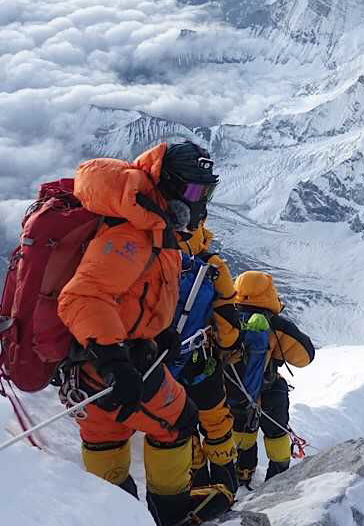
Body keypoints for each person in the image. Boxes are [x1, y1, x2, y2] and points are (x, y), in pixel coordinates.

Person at [57, 141, 229, 525]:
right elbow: (82, 297)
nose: (199, 202)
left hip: (87, 361)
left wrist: (159, 331)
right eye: (193, 192)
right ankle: (170, 516)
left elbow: (140, 290)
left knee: (105, 434)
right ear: (166, 185)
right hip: (113, 358)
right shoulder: (134, 232)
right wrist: (116, 361)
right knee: (178, 422)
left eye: (206, 192)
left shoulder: (151, 221)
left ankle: (115, 515)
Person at [165, 223, 243, 498]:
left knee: (181, 427)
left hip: (162, 368)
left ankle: (196, 487)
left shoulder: (153, 252)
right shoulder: (210, 264)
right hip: (201, 362)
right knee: (216, 422)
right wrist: (228, 346)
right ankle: (226, 487)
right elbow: (228, 326)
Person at [225, 271, 316, 487]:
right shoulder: (276, 325)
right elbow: (306, 356)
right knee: (277, 435)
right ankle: (278, 480)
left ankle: (243, 473)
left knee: (242, 430)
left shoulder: (225, 318)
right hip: (270, 390)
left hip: (234, 390)